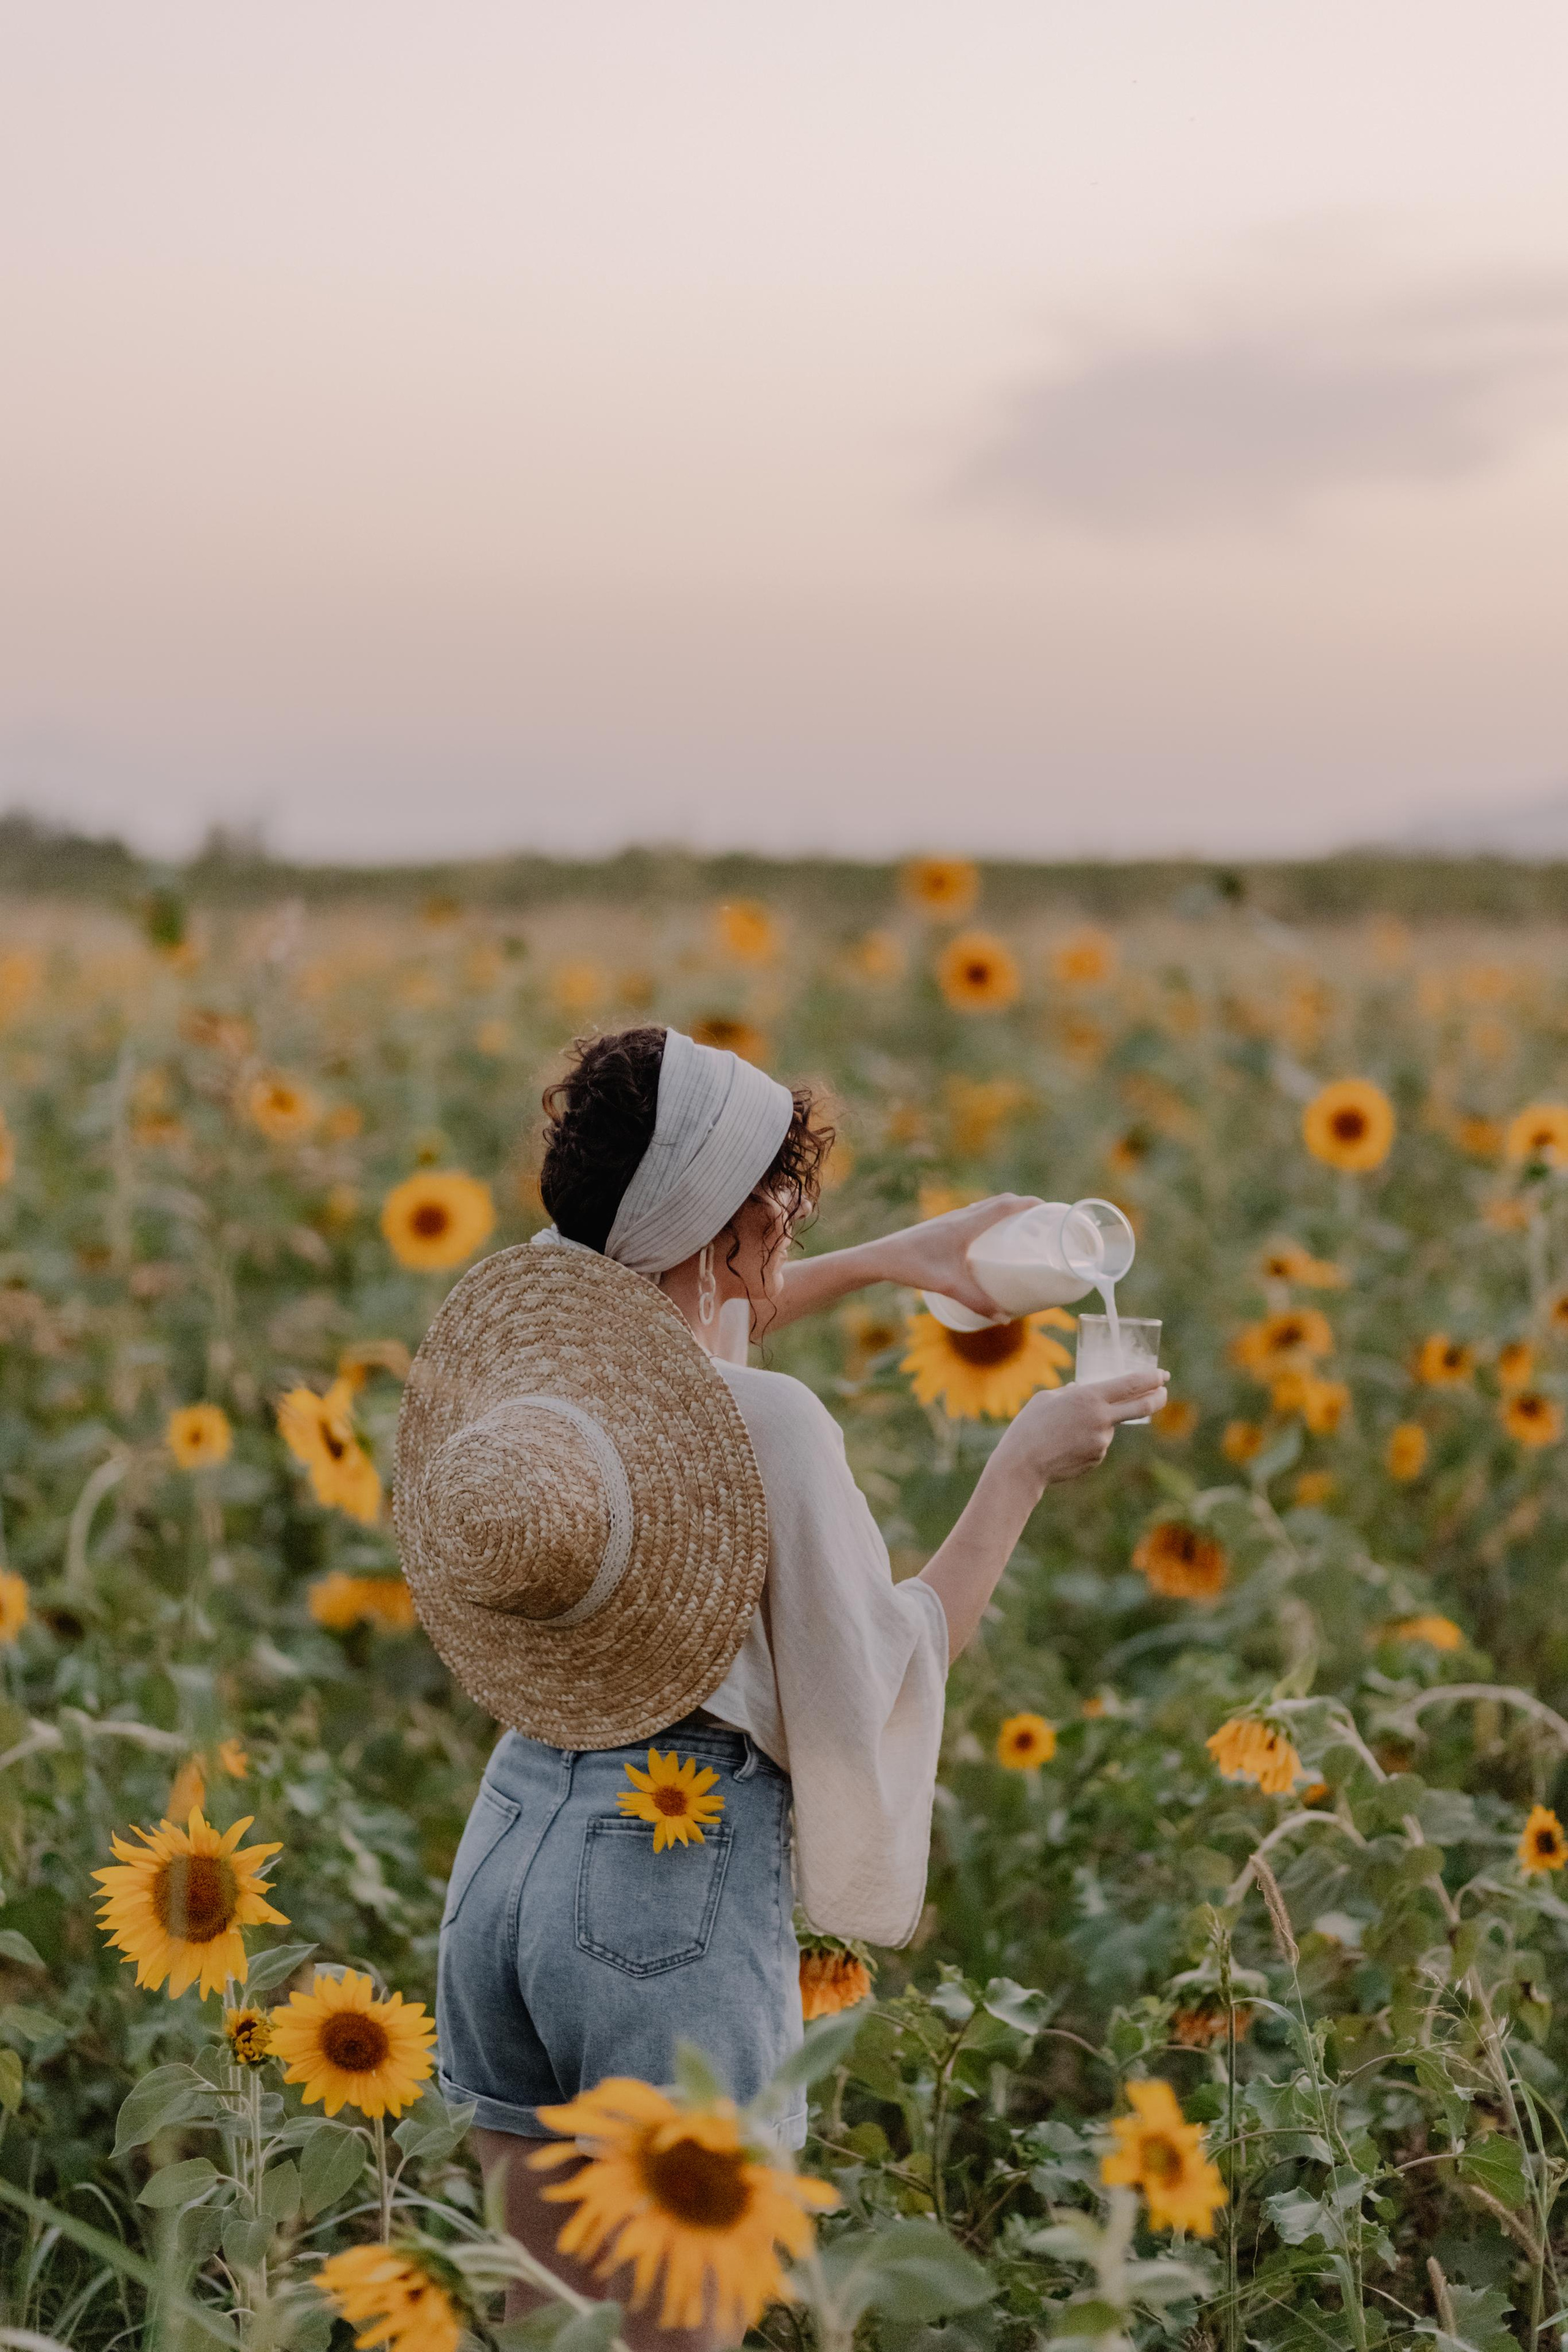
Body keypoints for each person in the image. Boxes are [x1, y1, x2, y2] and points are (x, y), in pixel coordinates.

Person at [394, 1025, 1163, 2345]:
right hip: (660, 1889)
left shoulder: (526, 1356)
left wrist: (891, 1258)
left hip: (505, 1855)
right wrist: (1021, 1469)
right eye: (787, 1214)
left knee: (544, 2320)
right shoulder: (778, 1434)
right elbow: (885, 1667)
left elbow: (669, 1331)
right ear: (736, 1226)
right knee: (687, 2321)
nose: (794, 1238)